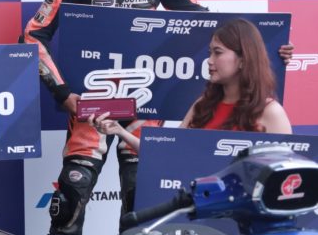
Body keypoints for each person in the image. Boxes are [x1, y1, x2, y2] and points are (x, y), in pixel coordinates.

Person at [20, 0, 293, 235]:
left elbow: (210, 25)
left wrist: (272, 48)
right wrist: (63, 93)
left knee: (142, 211)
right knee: (69, 201)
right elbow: (33, 36)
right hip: (92, 105)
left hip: (144, 107)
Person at [93, 18, 292, 150]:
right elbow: (168, 153)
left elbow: (286, 178)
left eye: (218, 53)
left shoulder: (271, 112)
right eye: (210, 53)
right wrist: (120, 131)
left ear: (243, 59)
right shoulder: (203, 105)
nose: (209, 61)